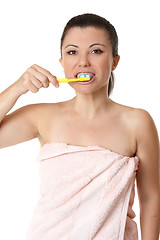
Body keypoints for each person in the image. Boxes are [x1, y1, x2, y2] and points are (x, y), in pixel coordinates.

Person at [0, 13, 159, 240]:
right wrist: (18, 87)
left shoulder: (138, 122)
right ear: (62, 63)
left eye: (96, 51)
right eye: (72, 52)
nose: (83, 61)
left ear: (115, 61)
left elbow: (151, 199)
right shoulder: (41, 116)